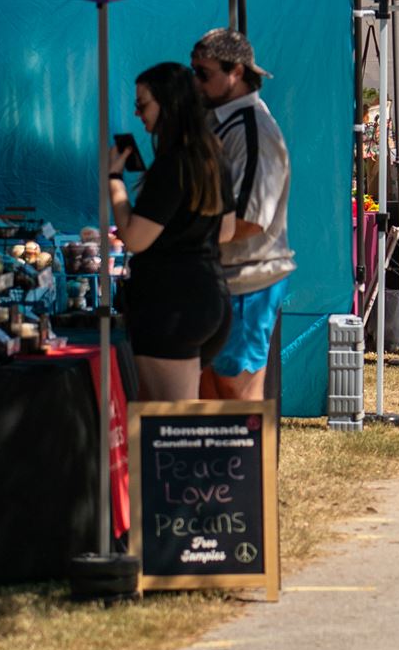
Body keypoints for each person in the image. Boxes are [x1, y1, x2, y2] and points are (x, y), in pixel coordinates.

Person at [110, 62, 237, 401]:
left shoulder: (174, 163)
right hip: (211, 299)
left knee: (170, 428)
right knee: (169, 424)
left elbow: (135, 238)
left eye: (142, 104)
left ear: (169, 103)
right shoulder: (213, 155)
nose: (137, 114)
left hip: (171, 304)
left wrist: (113, 181)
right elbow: (225, 230)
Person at [192, 28, 293, 400]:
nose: (196, 83)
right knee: (212, 393)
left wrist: (184, 238)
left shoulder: (253, 129)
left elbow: (250, 220)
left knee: (237, 397)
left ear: (235, 72)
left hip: (248, 280)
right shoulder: (224, 120)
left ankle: (246, 461)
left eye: (204, 74)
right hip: (225, 277)